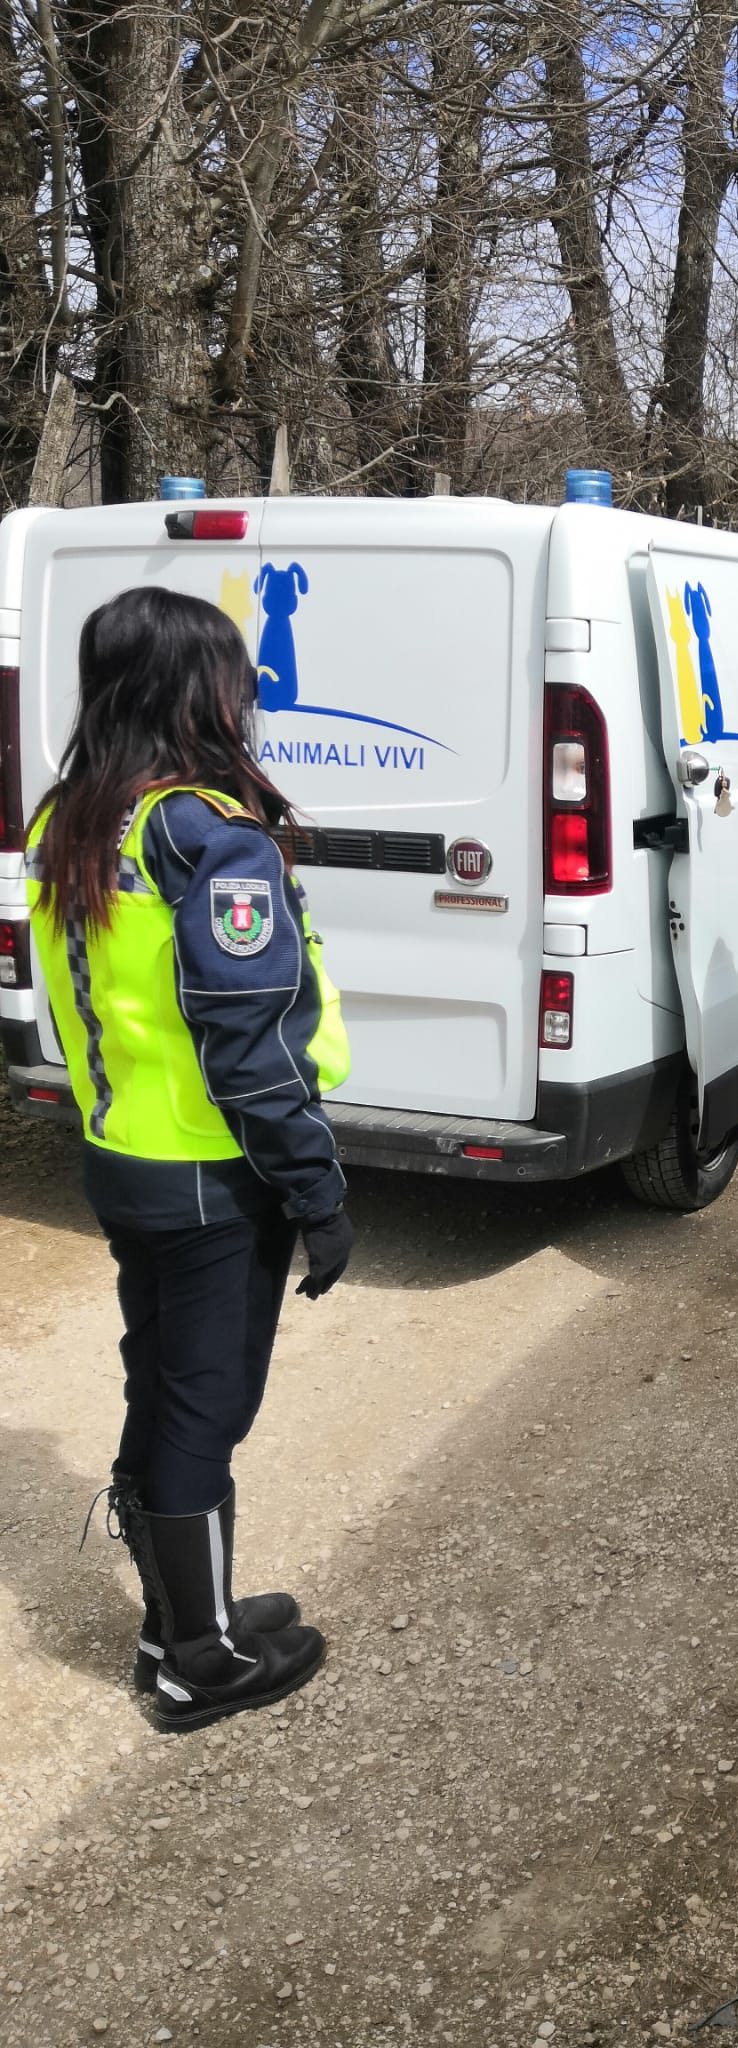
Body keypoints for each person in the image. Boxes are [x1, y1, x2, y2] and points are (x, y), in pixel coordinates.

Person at [27, 587, 353, 1730]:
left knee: (163, 1387)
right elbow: (251, 1044)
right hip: (218, 1177)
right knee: (205, 1409)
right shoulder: (207, 835)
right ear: (195, 690)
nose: (246, 694)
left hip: (126, 1158)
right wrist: (318, 1192)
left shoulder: (72, 816)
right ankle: (193, 1662)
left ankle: (182, 1615)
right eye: (232, 674)